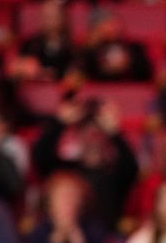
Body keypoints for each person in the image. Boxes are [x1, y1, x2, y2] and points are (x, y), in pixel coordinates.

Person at [32, 95, 140, 233]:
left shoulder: (116, 174)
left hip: (105, 240)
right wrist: (60, 123)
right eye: (86, 129)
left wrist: (116, 133)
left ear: (106, 136)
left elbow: (131, 168)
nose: (92, 136)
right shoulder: (65, 170)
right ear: (78, 134)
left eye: (98, 131)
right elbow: (40, 157)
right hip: (65, 237)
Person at [23, 171, 108, 243]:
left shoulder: (92, 232)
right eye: (62, 197)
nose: (68, 203)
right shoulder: (40, 232)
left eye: (73, 197)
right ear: (51, 203)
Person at [7, 0, 74, 82]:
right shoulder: (32, 44)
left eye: (51, 16)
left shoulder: (71, 48)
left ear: (62, 18)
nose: (47, 20)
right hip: (34, 90)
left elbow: (76, 73)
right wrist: (35, 71)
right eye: (44, 16)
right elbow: (13, 69)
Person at [77, 8, 154, 83]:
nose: (115, 27)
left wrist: (129, 61)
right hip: (99, 91)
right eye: (108, 23)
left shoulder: (135, 47)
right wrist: (91, 48)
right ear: (95, 28)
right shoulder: (88, 52)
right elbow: (80, 75)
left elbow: (147, 73)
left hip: (132, 90)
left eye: (116, 22)